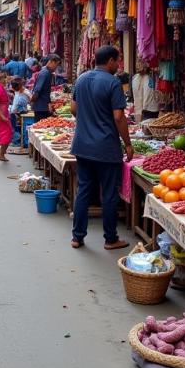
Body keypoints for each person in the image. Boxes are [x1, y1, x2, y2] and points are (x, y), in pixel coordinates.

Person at [69, 45, 133, 252]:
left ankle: (77, 237)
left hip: (82, 145)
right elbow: (118, 117)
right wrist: (128, 143)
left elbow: (73, 108)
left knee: (84, 191)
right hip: (106, 148)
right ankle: (110, 238)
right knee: (108, 194)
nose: (119, 65)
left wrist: (88, 123)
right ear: (111, 61)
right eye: (118, 61)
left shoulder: (82, 79)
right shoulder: (113, 83)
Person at [31, 54, 60, 122]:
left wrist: (49, 103)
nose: (56, 67)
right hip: (41, 107)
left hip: (43, 106)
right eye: (57, 64)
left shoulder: (47, 72)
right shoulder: (45, 73)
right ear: (52, 62)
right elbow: (37, 90)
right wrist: (32, 101)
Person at [9, 77, 30, 147]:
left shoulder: (24, 94)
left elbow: (15, 107)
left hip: (21, 112)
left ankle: (17, 139)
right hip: (18, 112)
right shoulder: (19, 92)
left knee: (11, 125)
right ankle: (16, 139)